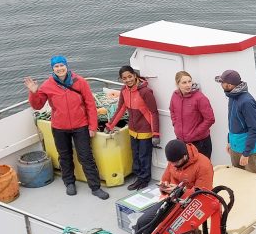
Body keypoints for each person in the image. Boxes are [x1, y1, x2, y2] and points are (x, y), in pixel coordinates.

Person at [25, 56, 109, 200]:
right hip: (59, 127)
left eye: (61, 65)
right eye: (56, 66)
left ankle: (95, 187)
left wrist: (92, 126)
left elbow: (90, 105)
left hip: (81, 126)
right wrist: (33, 92)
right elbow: (37, 105)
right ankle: (69, 183)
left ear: (66, 66)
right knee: (64, 157)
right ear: (52, 69)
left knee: (86, 157)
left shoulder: (80, 81)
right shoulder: (47, 85)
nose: (59, 68)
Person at [107, 65, 160, 190]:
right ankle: (138, 177)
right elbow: (120, 109)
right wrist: (110, 125)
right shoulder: (124, 91)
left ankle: (144, 179)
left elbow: (153, 113)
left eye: (130, 76)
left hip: (145, 131)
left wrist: (156, 133)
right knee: (135, 155)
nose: (128, 80)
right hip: (132, 130)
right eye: (124, 78)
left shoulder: (146, 92)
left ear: (135, 75)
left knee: (144, 156)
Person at [215, 69, 256, 174]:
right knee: (238, 175)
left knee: (254, 178)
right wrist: (230, 141)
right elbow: (232, 121)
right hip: (235, 145)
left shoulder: (247, 102)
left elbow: (254, 129)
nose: (221, 84)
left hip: (246, 149)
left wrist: (246, 153)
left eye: (223, 82)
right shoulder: (232, 96)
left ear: (230, 85)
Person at [169, 70, 215, 160]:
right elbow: (172, 110)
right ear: (177, 84)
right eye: (184, 82)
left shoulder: (200, 98)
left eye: (190, 81)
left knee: (201, 171)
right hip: (181, 141)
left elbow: (210, 119)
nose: (188, 85)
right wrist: (176, 125)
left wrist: (195, 133)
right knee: (185, 170)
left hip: (200, 143)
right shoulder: (175, 96)